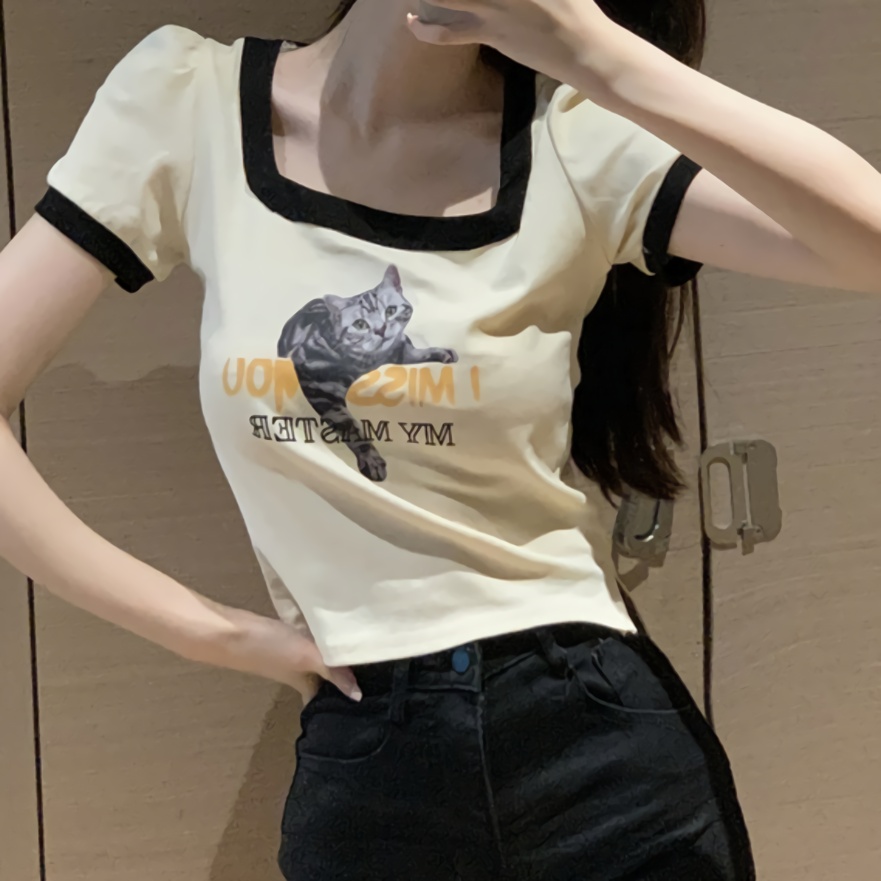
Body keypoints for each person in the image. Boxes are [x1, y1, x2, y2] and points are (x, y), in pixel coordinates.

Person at [1, 0, 880, 877]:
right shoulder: (188, 101)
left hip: (598, 742)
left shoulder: (574, 134)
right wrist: (212, 634)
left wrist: (592, 52)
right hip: (365, 753)